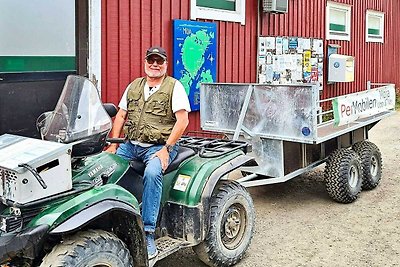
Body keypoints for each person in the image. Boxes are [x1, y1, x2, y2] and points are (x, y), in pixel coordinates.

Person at [106, 46, 190, 259]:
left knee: (152, 173)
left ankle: (148, 233)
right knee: (104, 166)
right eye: (151, 60)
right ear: (145, 63)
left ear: (165, 65)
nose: (154, 64)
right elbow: (121, 116)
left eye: (159, 61)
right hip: (131, 145)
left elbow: (183, 120)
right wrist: (114, 145)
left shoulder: (174, 87)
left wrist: (166, 149)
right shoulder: (134, 86)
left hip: (159, 146)